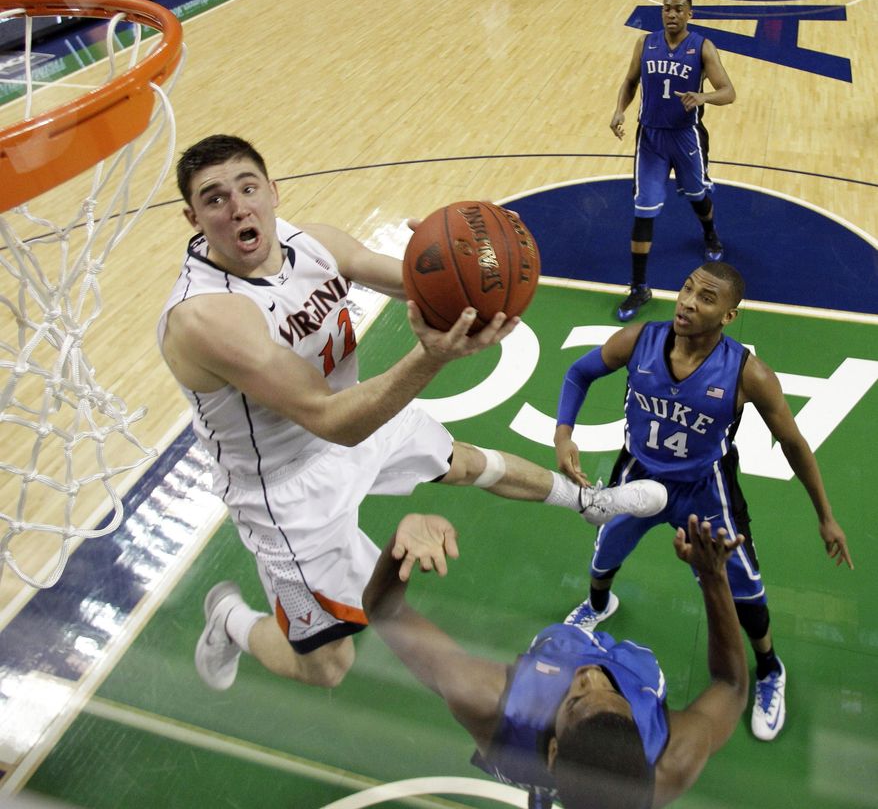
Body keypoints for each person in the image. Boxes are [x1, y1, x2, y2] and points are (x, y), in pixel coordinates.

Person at [157, 135, 668, 692]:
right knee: (327, 667)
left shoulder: (317, 244)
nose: (237, 207)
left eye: (248, 187)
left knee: (464, 462)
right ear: (193, 217)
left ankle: (589, 502)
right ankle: (231, 619)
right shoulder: (205, 317)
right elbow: (332, 420)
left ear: (273, 192)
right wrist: (430, 357)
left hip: (353, 417)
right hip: (287, 486)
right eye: (214, 198)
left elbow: (421, 285)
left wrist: (472, 265)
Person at [553, 260, 854, 741]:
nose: (689, 302)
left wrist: (826, 516)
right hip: (638, 474)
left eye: (707, 298)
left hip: (704, 491)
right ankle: (598, 604)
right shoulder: (640, 341)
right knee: (606, 550)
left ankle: (770, 667)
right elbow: (578, 374)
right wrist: (563, 433)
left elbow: (795, 444)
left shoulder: (747, 373)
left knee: (745, 589)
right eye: (688, 289)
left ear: (729, 315)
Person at [363, 511, 749, 809]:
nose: (592, 674)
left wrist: (401, 542)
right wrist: (713, 579)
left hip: (545, 678)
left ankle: (544, 790)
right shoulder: (671, 762)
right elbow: (731, 687)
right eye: (614, 697)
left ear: (552, 753)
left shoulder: (486, 699)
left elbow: (384, 612)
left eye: (578, 699)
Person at [610, 0, 736, 322]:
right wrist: (619, 110)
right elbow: (630, 80)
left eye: (679, 9)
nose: (671, 14)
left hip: (685, 137)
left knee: (696, 194)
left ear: (689, 14)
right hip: (650, 137)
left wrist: (703, 96)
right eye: (666, 8)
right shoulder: (645, 43)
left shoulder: (703, 47)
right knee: (644, 209)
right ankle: (639, 286)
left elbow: (729, 91)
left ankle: (709, 232)